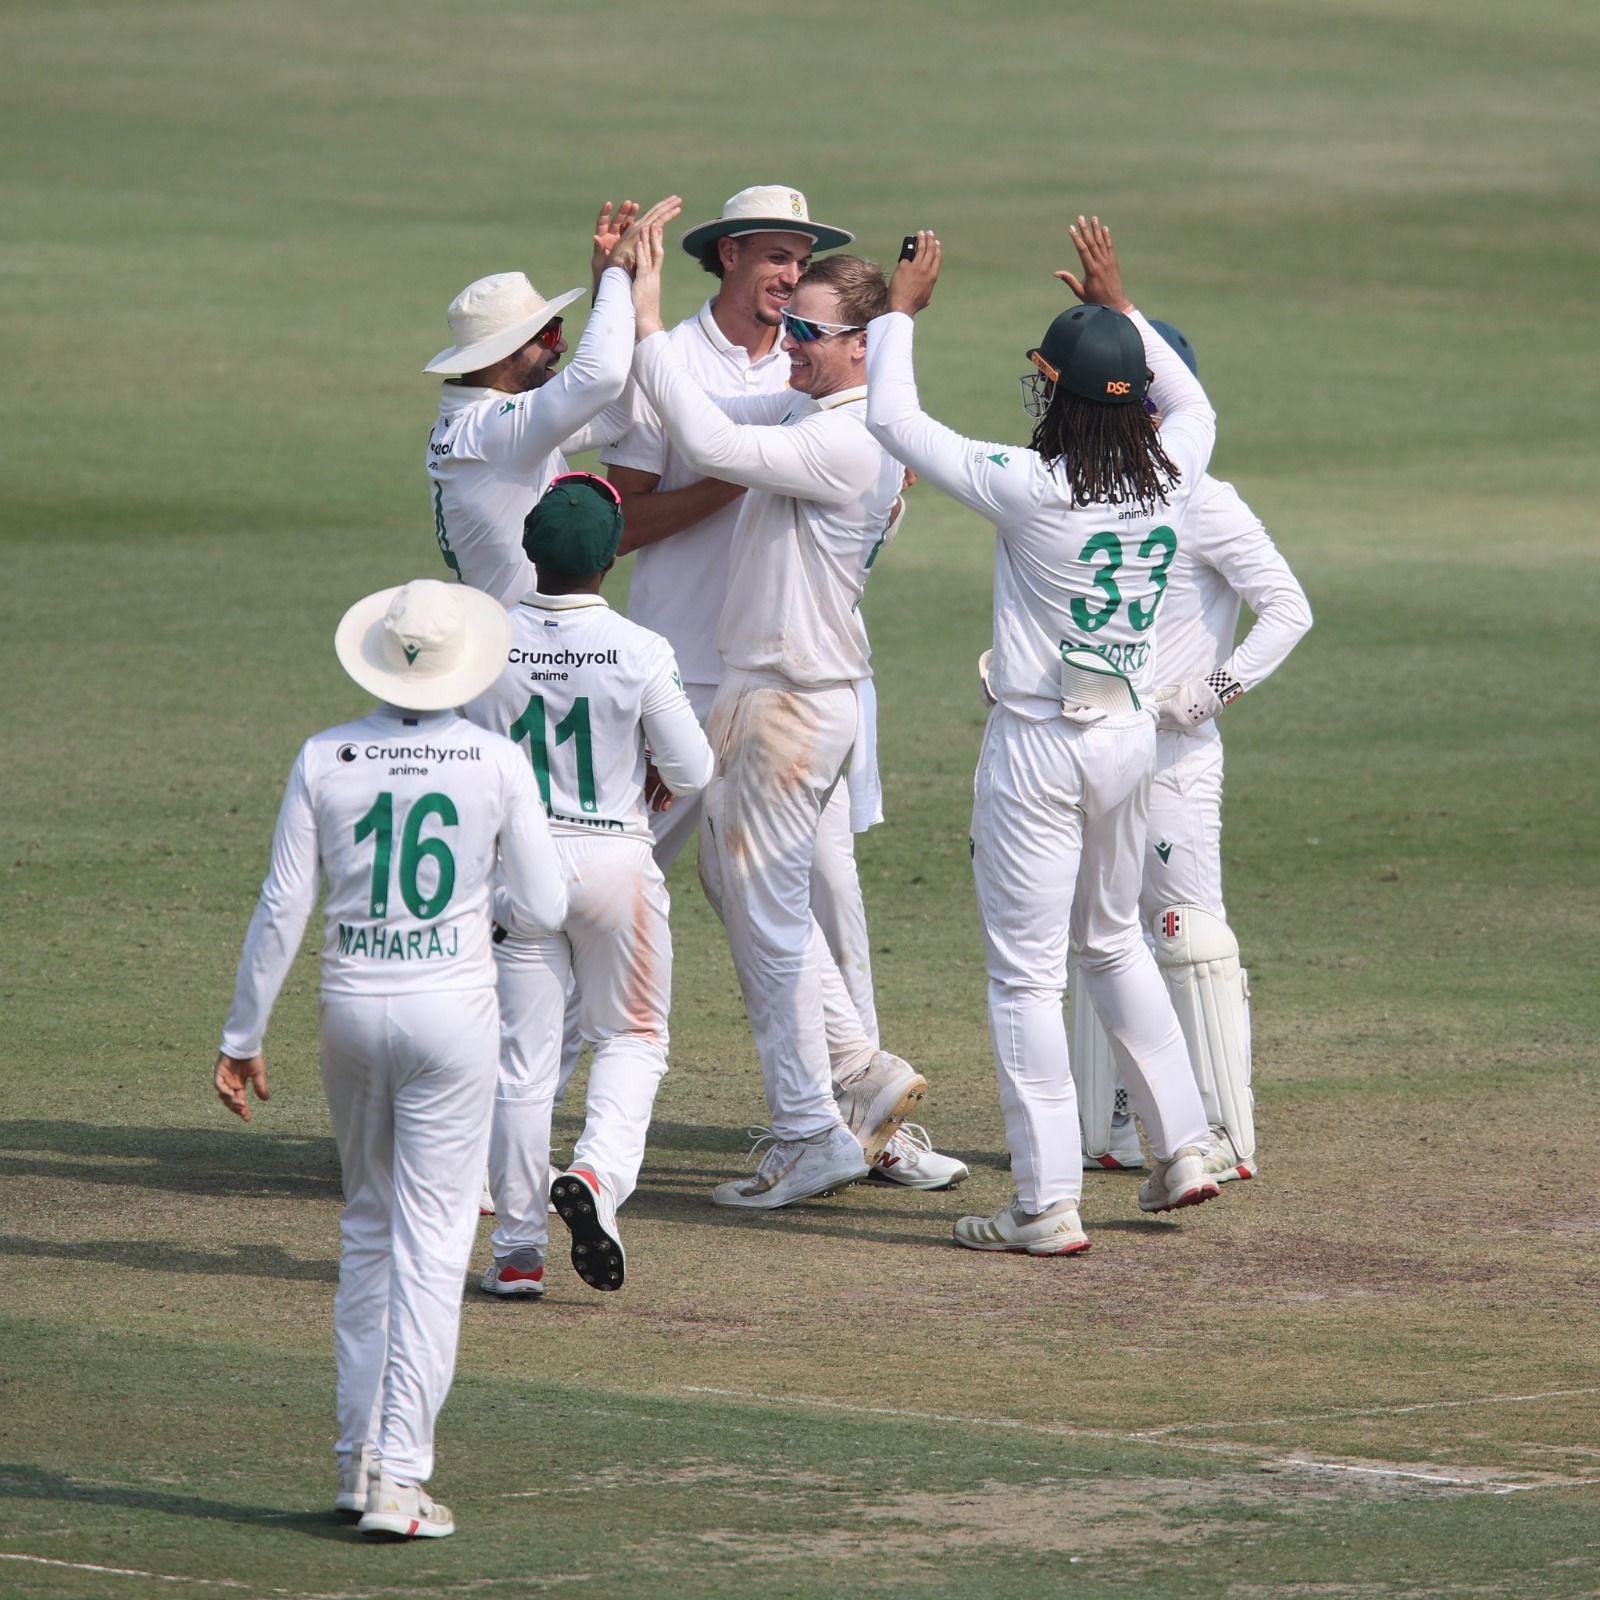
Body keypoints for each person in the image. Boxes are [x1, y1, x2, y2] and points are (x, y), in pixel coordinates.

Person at [865, 217, 1226, 1256]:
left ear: (1058, 396)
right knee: (1111, 944)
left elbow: (892, 415)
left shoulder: (1030, 489)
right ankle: (1182, 1150)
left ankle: (1043, 1202)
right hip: (1127, 740)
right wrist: (1123, 310)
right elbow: (1194, 401)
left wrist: (899, 313)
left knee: (1027, 976)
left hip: (1037, 743)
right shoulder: (1176, 471)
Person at [604, 186, 966, 1191]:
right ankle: (860, 1067)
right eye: (790, 319)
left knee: (765, 915)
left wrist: (642, 304)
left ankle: (812, 1128)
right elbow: (706, 410)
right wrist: (642, 311)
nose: (790, 338)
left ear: (862, 347)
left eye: (811, 329)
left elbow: (715, 448)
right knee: (740, 887)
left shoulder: (847, 436)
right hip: (783, 696)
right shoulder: (824, 405)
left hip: (791, 704)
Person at [212, 579, 568, 1537]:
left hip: (350, 1011)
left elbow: (284, 904)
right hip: (451, 1017)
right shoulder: (495, 760)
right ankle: (401, 1476)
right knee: (436, 1241)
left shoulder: (325, 755)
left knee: (369, 1233)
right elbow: (545, 904)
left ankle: (355, 1461)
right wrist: (477, 907)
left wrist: (242, 1037)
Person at [461, 463, 714, 1295]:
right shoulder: (641, 648)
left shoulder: (485, 636)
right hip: (612, 859)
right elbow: (693, 767)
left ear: (531, 550)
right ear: (613, 559)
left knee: (523, 1066)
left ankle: (518, 1254)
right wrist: (650, 765)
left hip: (516, 869)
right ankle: (599, 1178)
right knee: (633, 1037)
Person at [1070, 320, 1313, 1184]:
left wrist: (1208, 695)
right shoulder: (1084, 494)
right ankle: (1115, 1122)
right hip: (1096, 746)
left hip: (1174, 760)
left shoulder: (1205, 498)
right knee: (1103, 936)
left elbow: (1288, 608)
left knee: (1187, 937)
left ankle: (1220, 1127)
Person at [423, 197, 681, 605]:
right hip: (510, 646)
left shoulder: (482, 424)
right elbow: (600, 378)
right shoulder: (494, 428)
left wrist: (609, 285)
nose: (561, 345)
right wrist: (615, 273)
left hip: (509, 638)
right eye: (546, 335)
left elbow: (612, 415)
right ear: (500, 355)